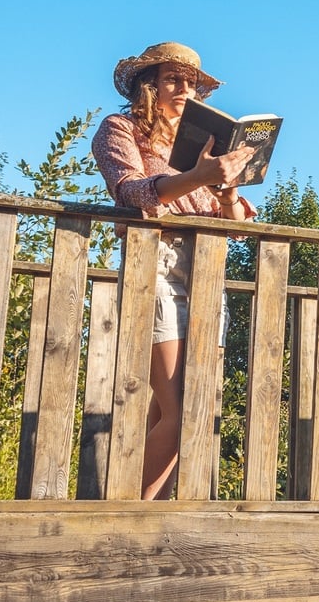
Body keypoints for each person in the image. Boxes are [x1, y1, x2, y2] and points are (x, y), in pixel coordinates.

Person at [91, 42, 258, 500]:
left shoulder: (200, 142)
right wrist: (201, 176)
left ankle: (151, 509)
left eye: (191, 82)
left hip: (206, 271)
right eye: (172, 79)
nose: (184, 89)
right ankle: (130, 511)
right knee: (185, 408)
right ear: (149, 84)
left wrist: (225, 191)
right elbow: (130, 192)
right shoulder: (120, 128)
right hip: (157, 264)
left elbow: (239, 227)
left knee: (169, 408)